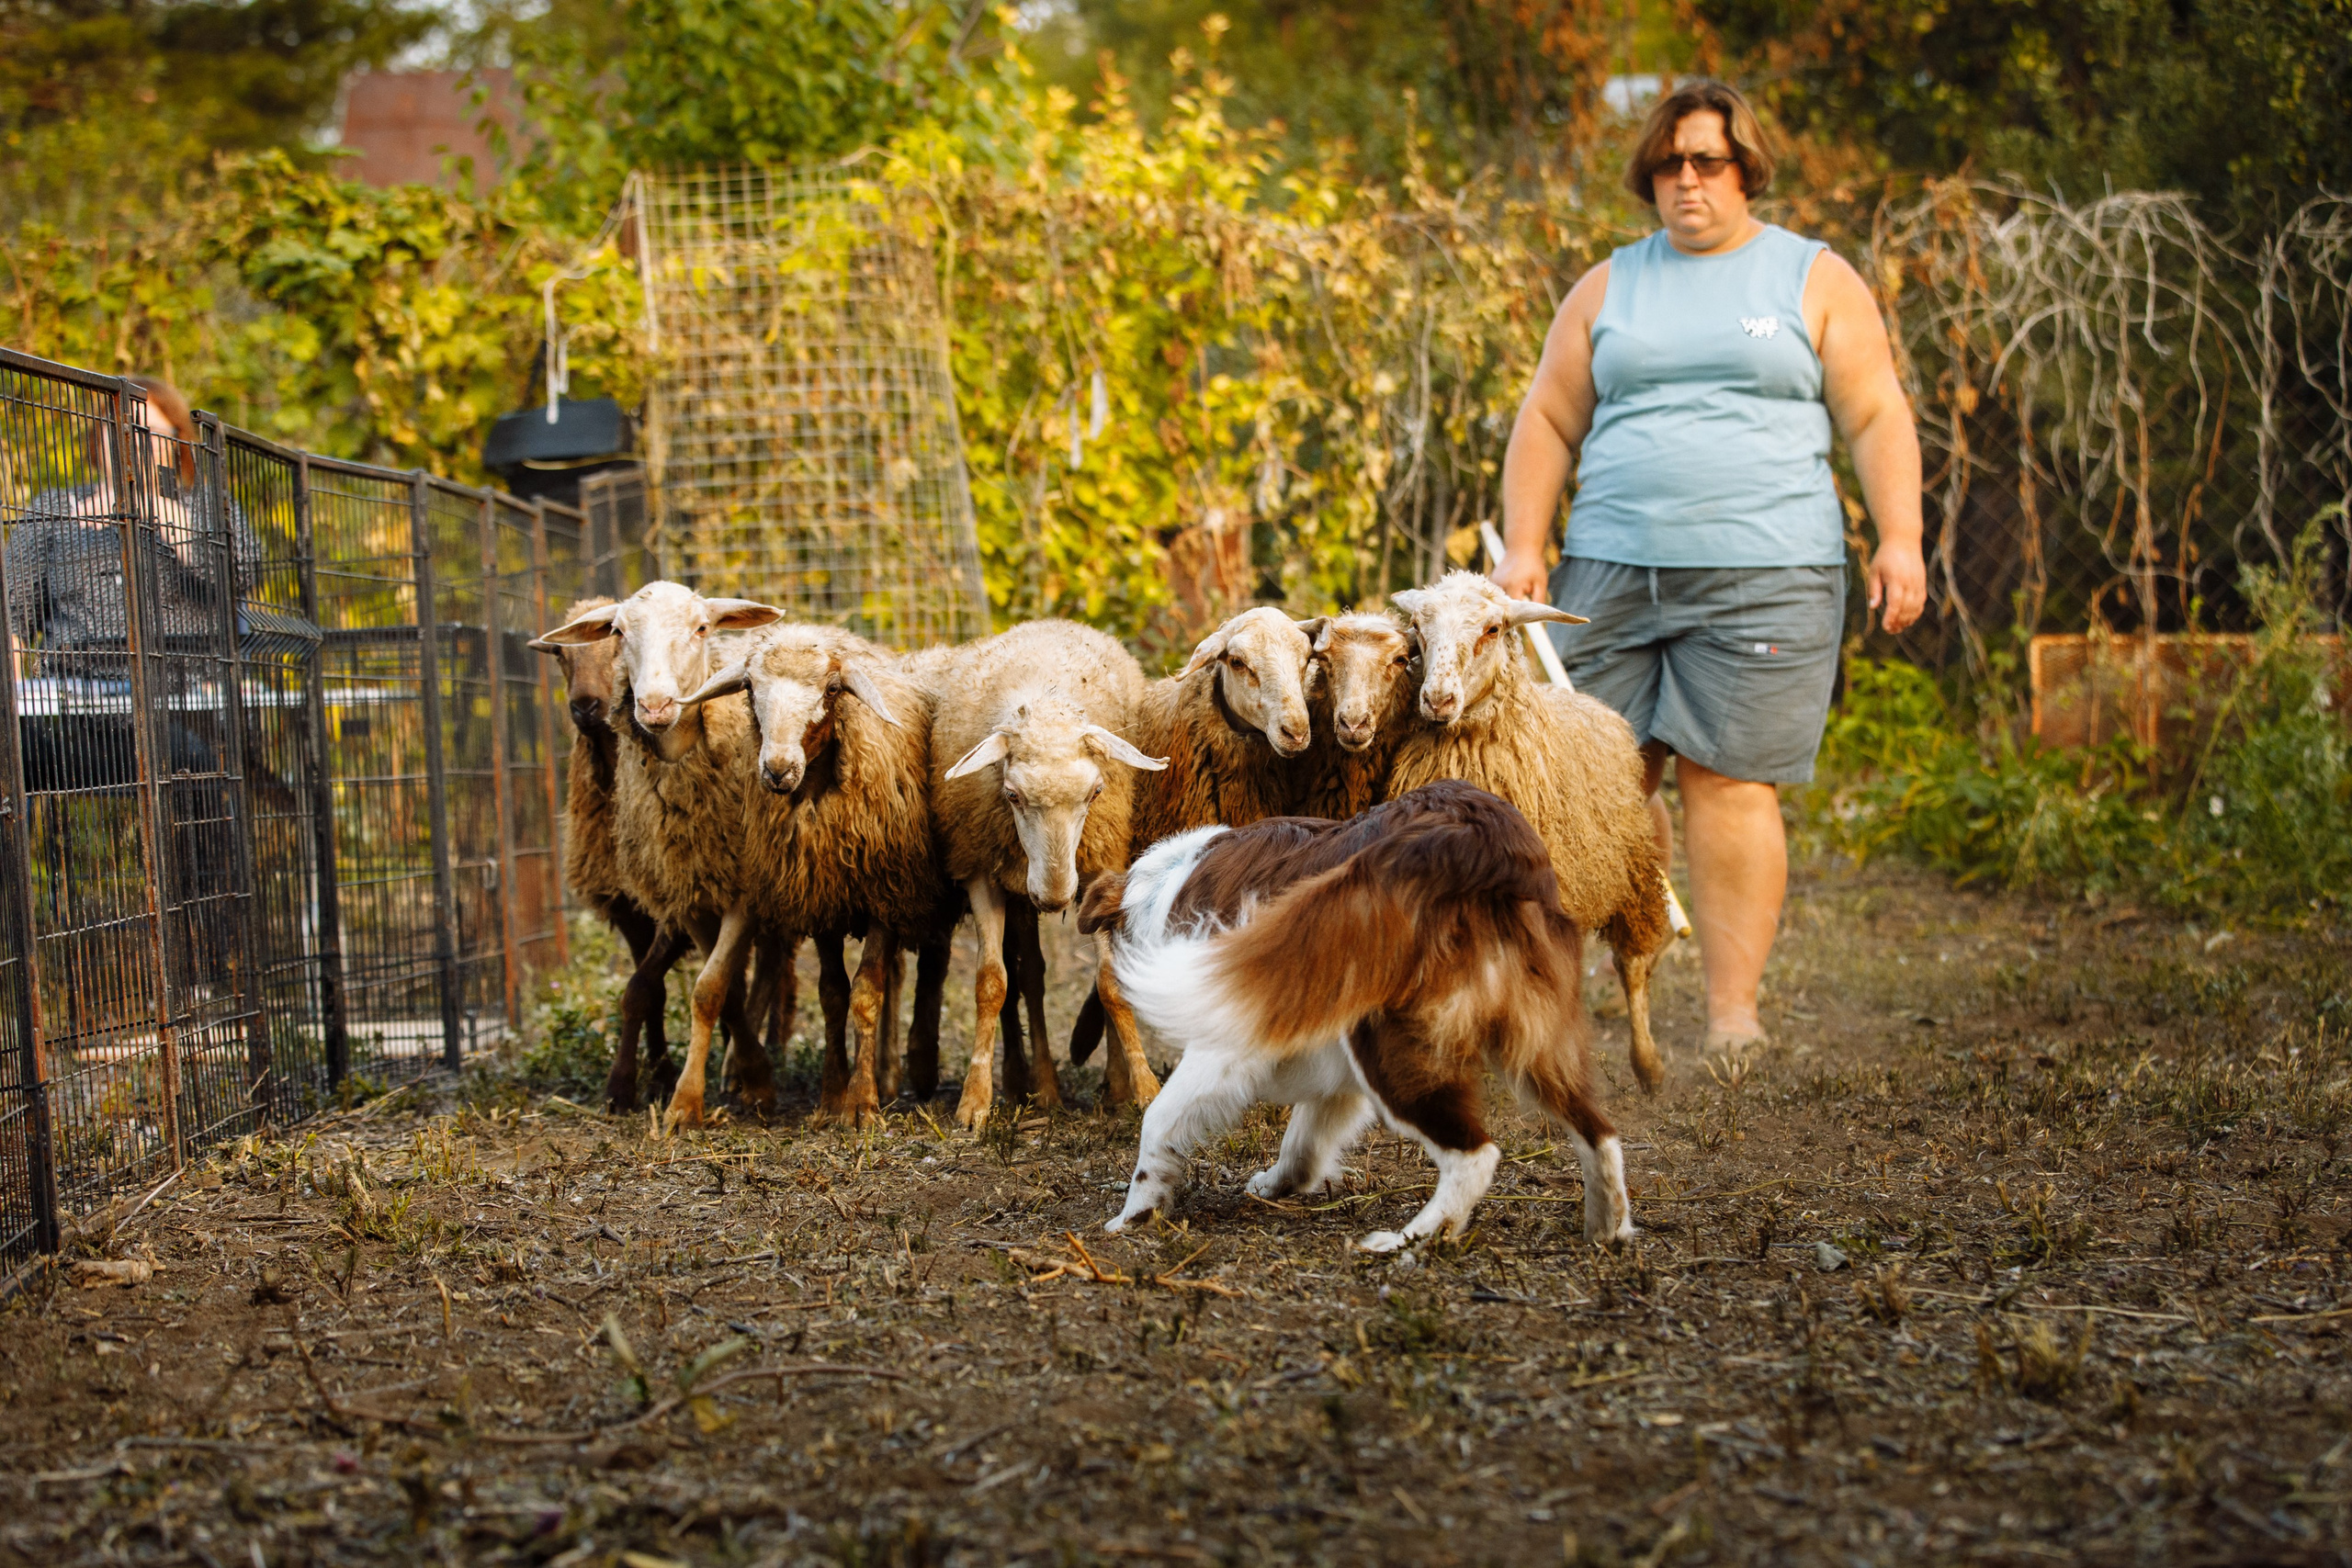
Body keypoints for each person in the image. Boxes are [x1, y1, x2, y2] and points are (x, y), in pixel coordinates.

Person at [1488, 79, 1927, 1055]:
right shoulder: (1608, 285)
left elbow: (1874, 411)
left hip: (1768, 570)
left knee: (1728, 783)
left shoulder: (1811, 278)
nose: (1685, 180)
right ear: (1648, 175)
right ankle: (1553, 1001)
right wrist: (1525, 546)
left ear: (1746, 169)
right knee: (1594, 787)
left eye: (1707, 161)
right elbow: (1548, 417)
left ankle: (1732, 1016)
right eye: (1667, 164)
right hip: (1609, 569)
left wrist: (1900, 538)